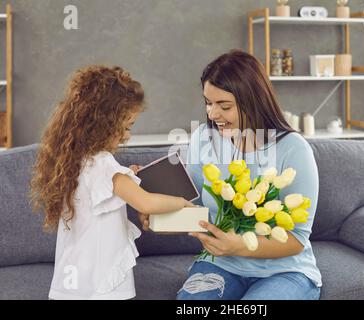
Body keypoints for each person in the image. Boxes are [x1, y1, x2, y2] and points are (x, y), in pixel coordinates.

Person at [30, 65, 194, 300]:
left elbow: (102, 190)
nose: (127, 135)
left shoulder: (73, 162)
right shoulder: (105, 165)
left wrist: (127, 175)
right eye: (126, 126)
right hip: (101, 280)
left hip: (72, 277)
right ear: (104, 123)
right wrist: (181, 203)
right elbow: (145, 203)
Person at [177, 50, 322, 300]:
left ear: (252, 101)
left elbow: (297, 238)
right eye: (208, 103)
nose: (212, 114)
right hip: (221, 264)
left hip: (285, 271)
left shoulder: (293, 149)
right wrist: (161, 215)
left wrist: (241, 246)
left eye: (224, 106)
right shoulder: (203, 137)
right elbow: (197, 207)